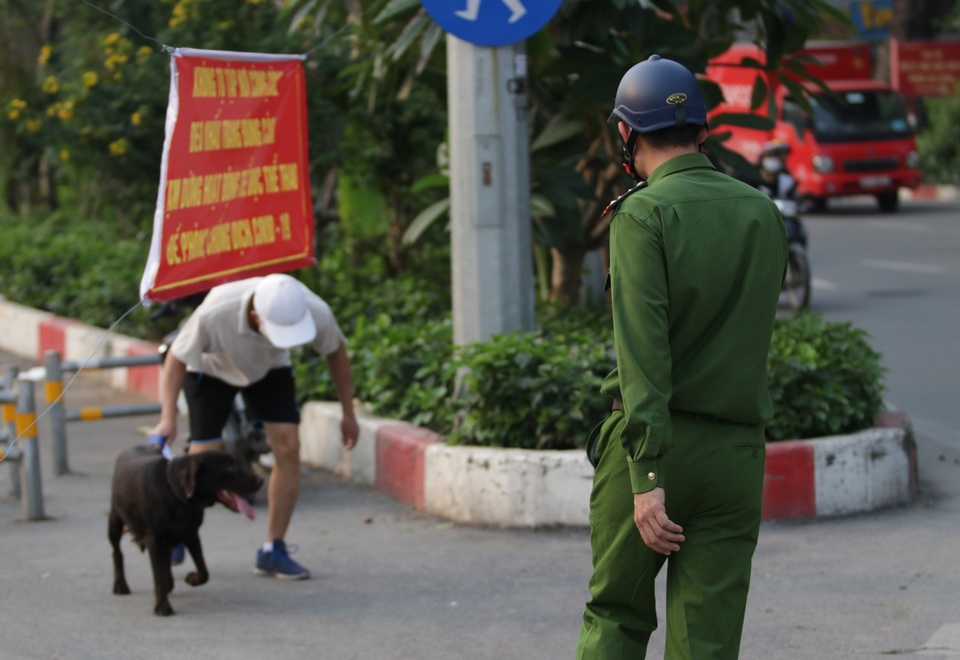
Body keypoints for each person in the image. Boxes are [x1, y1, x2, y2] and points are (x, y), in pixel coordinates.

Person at [576, 55, 787, 658]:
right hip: (736, 456)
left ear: (625, 132)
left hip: (656, 451)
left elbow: (644, 355)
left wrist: (646, 476)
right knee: (709, 635)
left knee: (617, 615)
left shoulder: (642, 214)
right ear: (701, 130)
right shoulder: (761, 212)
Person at [152, 273, 359, 580]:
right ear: (254, 315)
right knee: (199, 460)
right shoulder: (215, 312)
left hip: (269, 369)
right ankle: (178, 534)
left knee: (289, 447)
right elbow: (176, 359)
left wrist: (348, 413)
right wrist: (168, 415)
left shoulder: (313, 308)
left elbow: (336, 352)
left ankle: (273, 549)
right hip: (211, 368)